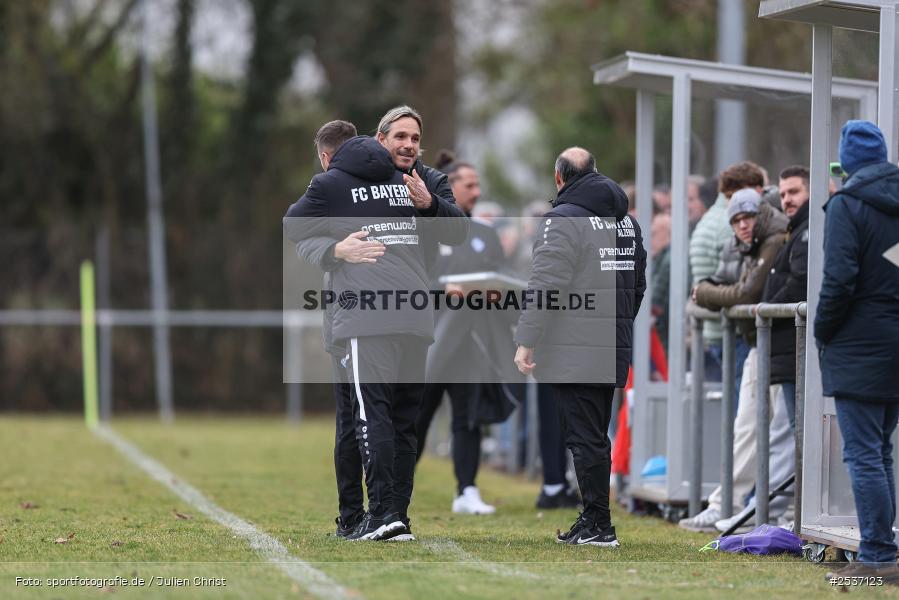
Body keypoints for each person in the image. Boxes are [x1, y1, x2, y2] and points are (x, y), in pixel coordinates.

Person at [285, 111, 468, 541]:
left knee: (381, 418)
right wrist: (335, 250)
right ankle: (356, 516)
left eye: (415, 138)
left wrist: (429, 204)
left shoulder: (426, 183)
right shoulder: (348, 180)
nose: (408, 144)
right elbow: (301, 230)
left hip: (384, 316)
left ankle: (388, 514)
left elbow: (458, 230)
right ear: (380, 139)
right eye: (400, 136)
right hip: (357, 316)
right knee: (359, 419)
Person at [514, 147, 647, 547]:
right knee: (594, 435)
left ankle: (598, 525)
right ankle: (593, 519)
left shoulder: (561, 220)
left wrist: (527, 339)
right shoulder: (628, 222)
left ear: (560, 179)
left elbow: (546, 285)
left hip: (574, 347)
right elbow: (637, 286)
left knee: (584, 437)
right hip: (609, 343)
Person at [679, 188, 790, 532]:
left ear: (760, 214)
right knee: (751, 428)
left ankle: (754, 508)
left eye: (747, 217)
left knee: (770, 432)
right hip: (762, 343)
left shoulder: (774, 239)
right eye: (736, 220)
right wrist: (715, 291)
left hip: (776, 345)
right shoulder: (754, 240)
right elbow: (737, 285)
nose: (742, 225)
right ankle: (734, 504)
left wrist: (707, 293)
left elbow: (747, 293)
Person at [816, 120, 899, 579]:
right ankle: (883, 548)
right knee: (880, 451)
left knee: (864, 453)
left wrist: (824, 331)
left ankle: (877, 557)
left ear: (847, 162)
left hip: (859, 344)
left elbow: (840, 280)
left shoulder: (847, 205)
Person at [414, 151, 510, 515]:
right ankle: (395, 487)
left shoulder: (486, 234)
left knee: (468, 419)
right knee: (416, 417)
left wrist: (495, 290)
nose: (477, 190)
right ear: (449, 187)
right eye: (470, 184)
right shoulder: (426, 229)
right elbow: (413, 279)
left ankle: (466, 490)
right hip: (430, 342)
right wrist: (446, 287)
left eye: (477, 184)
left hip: (471, 343)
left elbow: (502, 278)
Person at [763, 166, 810, 430]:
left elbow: (799, 283)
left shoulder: (806, 231)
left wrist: (767, 309)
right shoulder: (796, 229)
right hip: (790, 348)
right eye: (782, 194)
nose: (787, 200)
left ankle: (805, 475)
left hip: (796, 347)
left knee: (801, 427)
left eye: (794, 191)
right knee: (797, 427)